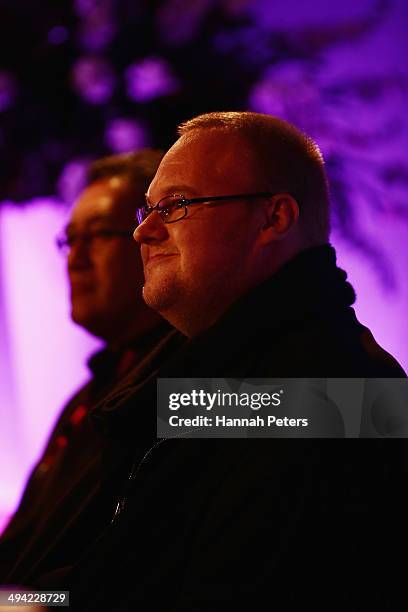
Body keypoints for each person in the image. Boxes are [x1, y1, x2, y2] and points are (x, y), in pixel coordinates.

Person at [64, 113, 407, 608]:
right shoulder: (212, 373)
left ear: (274, 218)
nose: (143, 233)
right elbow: (108, 574)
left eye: (176, 205)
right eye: (148, 210)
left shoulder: (342, 393)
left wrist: (28, 600)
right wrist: (25, 597)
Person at [0, 149, 182, 587]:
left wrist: (24, 603)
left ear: (154, 238)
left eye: (96, 235)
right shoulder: (92, 393)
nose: (74, 258)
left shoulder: (190, 383)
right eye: (68, 240)